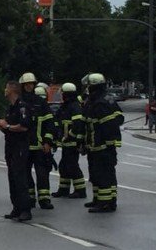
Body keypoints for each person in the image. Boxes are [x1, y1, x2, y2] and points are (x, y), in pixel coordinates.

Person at [83, 74, 123, 213]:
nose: (87, 88)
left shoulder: (99, 103)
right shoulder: (107, 98)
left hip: (100, 145)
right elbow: (120, 117)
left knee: (102, 174)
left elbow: (106, 125)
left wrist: (104, 142)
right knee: (102, 173)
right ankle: (105, 200)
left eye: (89, 85)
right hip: (99, 145)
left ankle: (105, 203)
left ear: (93, 86)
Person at [0, 81, 32, 222]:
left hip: (20, 147)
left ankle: (25, 210)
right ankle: (16, 207)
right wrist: (2, 126)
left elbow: (24, 127)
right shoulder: (10, 108)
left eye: (6, 88)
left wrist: (8, 126)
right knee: (12, 177)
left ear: (12, 90)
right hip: (10, 146)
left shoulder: (22, 106)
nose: (4, 90)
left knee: (20, 177)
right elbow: (8, 127)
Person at [20, 74, 55, 210]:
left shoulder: (41, 102)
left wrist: (47, 142)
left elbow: (50, 124)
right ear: (23, 85)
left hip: (40, 146)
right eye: (27, 84)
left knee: (42, 174)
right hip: (24, 146)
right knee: (25, 174)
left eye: (31, 84)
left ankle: (44, 199)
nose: (29, 86)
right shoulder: (20, 102)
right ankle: (30, 198)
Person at [53, 82, 86, 198]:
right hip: (67, 143)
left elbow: (77, 125)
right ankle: (63, 189)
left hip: (72, 143)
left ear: (66, 94)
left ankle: (80, 190)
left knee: (72, 166)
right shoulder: (66, 106)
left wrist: (69, 137)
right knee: (63, 166)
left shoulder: (75, 106)